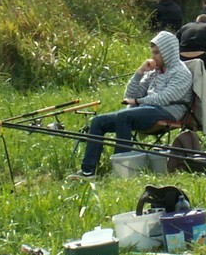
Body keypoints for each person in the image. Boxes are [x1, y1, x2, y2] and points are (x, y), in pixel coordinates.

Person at [70, 30, 193, 179]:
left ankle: (120, 169)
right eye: (152, 53)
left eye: (156, 53)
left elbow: (165, 98)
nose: (153, 57)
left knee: (124, 116)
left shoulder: (181, 72)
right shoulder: (153, 72)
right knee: (98, 121)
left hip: (168, 111)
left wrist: (137, 102)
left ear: (167, 52)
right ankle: (88, 171)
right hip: (146, 110)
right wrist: (140, 72)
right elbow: (130, 95)